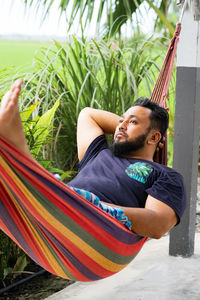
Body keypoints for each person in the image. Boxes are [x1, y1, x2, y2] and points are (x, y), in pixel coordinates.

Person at [0, 79, 186, 239]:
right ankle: (22, 162)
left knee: (57, 191)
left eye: (133, 122)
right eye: (121, 120)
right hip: (55, 209)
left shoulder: (165, 175)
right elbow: (87, 114)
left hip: (94, 224)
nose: (121, 125)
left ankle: (19, 152)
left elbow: (157, 224)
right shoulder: (98, 152)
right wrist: (128, 129)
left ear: (154, 138)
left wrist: (97, 208)